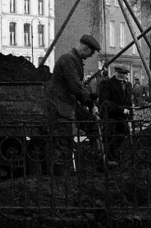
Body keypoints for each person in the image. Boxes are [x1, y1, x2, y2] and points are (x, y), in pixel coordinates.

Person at [46, 34, 100, 174]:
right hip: (60, 108)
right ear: (86, 48)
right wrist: (88, 97)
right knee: (63, 143)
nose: (89, 56)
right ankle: (61, 177)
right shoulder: (69, 60)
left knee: (92, 122)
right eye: (91, 53)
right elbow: (75, 86)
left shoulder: (74, 59)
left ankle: (97, 160)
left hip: (67, 105)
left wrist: (88, 97)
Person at [98, 65, 134, 139]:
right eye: (120, 73)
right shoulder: (106, 83)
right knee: (111, 141)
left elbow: (129, 101)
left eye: (125, 73)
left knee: (123, 141)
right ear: (115, 72)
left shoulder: (128, 85)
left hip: (124, 119)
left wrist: (131, 115)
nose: (122, 75)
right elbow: (105, 101)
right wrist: (121, 110)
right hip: (111, 117)